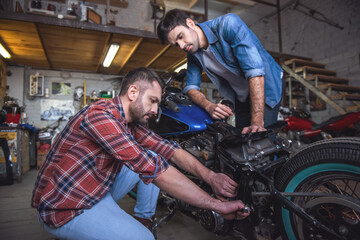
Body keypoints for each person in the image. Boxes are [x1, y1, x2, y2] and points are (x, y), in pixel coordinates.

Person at [31, 67, 249, 240]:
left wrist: (211, 178)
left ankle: (144, 218)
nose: (155, 110)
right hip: (64, 206)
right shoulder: (100, 116)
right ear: (133, 92)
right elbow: (153, 170)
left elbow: (170, 150)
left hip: (95, 190)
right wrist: (216, 205)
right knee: (142, 238)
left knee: (156, 155)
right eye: (153, 101)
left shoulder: (131, 122)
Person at [157, 9, 283, 133]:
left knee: (261, 138)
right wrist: (209, 106)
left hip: (266, 85)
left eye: (181, 36)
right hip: (241, 95)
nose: (182, 46)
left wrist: (257, 122)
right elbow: (190, 87)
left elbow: (255, 72)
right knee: (241, 142)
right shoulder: (193, 53)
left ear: (190, 23)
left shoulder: (228, 24)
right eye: (176, 44)